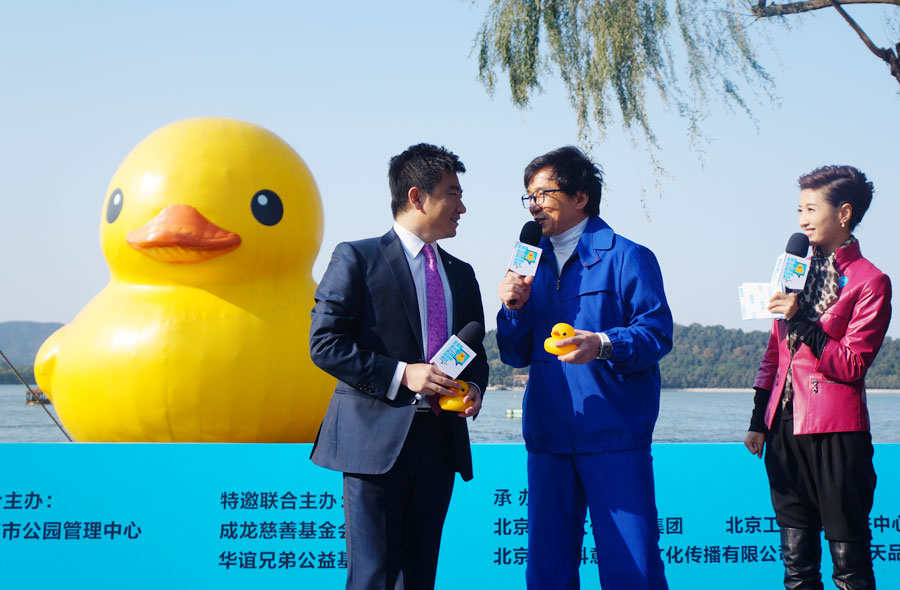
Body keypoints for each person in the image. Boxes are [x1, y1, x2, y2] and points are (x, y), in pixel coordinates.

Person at [309, 143, 489, 590]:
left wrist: (475, 389)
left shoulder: (462, 273)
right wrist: (402, 374)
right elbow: (325, 344)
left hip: (439, 442)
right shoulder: (356, 257)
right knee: (373, 577)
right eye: (453, 193)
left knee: (420, 576)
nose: (463, 207)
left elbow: (475, 352)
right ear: (416, 197)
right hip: (374, 445)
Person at [496, 146, 672, 589]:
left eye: (544, 193)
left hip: (613, 436)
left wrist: (602, 344)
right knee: (547, 571)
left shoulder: (627, 257)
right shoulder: (527, 264)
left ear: (580, 197)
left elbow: (656, 334)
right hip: (549, 437)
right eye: (528, 196)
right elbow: (514, 354)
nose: (534, 204)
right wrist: (513, 306)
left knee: (632, 569)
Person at [744, 165, 891, 590]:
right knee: (797, 567)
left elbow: (851, 365)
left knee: (850, 566)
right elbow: (775, 354)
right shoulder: (793, 274)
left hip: (835, 434)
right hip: (784, 430)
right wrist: (759, 420)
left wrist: (803, 321)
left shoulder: (870, 282)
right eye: (799, 210)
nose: (802, 220)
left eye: (811, 208)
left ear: (844, 213)